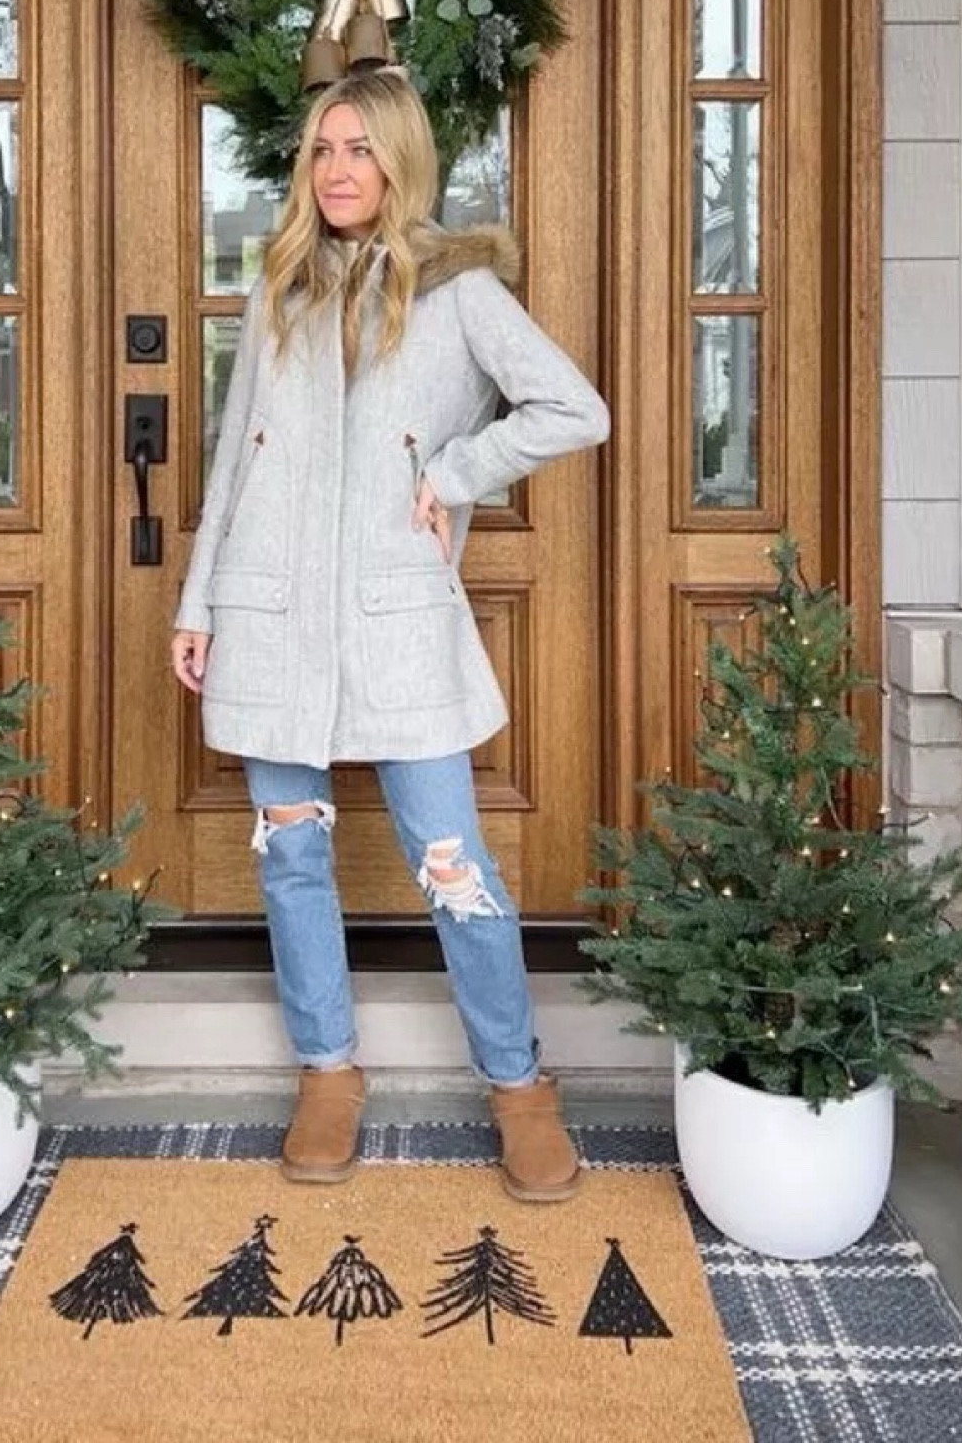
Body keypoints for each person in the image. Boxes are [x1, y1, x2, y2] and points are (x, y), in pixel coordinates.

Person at [170, 64, 610, 1202]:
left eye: (359, 148)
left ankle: (519, 1086)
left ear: (400, 158)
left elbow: (575, 407)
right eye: (322, 149)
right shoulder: (279, 290)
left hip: (397, 622)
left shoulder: (460, 291)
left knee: (453, 866)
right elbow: (233, 462)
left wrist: (455, 471)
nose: (336, 170)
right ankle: (328, 1070)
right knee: (292, 856)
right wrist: (198, 600)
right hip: (268, 615)